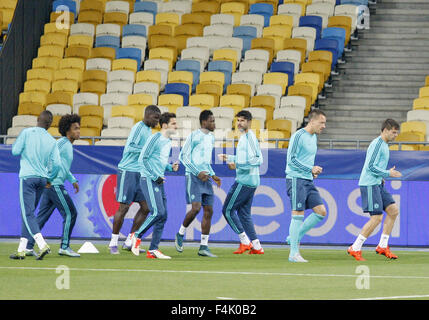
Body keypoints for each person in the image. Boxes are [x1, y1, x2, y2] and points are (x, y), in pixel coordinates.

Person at [26, 114, 81, 257]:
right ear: (67, 130)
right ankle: (64, 246)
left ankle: (28, 246)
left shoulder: (67, 145)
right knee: (71, 213)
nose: (78, 131)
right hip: (54, 185)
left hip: (51, 185)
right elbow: (49, 160)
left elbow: (63, 166)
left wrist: (73, 179)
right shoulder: (62, 143)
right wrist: (49, 179)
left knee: (41, 218)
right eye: (76, 128)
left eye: (79, 128)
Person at [108, 105, 161, 254]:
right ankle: (113, 242)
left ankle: (130, 241)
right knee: (123, 207)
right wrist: (147, 151)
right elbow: (130, 147)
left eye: (158, 119)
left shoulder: (148, 130)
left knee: (146, 207)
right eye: (155, 118)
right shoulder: (139, 127)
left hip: (140, 172)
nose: (157, 122)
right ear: (147, 115)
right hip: (128, 171)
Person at [10, 110, 62, 260]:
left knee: (28, 214)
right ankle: (22, 249)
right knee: (29, 214)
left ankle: (41, 243)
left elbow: (15, 151)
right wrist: (50, 178)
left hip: (28, 177)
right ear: (50, 124)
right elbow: (57, 164)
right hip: (42, 179)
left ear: (38, 119)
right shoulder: (52, 140)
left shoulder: (27, 133)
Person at [348, 119, 402, 261]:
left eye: (397, 133)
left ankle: (383, 246)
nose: (396, 135)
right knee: (376, 218)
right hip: (370, 184)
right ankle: (355, 247)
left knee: (393, 210)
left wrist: (382, 176)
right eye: (394, 132)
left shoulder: (384, 145)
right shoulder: (377, 144)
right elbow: (371, 166)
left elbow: (374, 167)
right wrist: (387, 173)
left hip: (377, 183)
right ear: (385, 130)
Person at [130, 112, 179, 259]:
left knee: (163, 215)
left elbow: (158, 161)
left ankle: (153, 249)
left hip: (158, 179)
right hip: (149, 179)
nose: (176, 126)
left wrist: (170, 167)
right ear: (164, 125)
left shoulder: (168, 141)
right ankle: (136, 236)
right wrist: (154, 176)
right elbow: (142, 159)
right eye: (174, 123)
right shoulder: (155, 138)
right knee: (157, 212)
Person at [175, 110, 221, 258]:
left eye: (214, 121)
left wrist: (212, 174)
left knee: (209, 211)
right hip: (194, 177)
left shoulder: (212, 138)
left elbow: (205, 161)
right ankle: (180, 234)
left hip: (205, 177)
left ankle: (203, 246)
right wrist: (197, 172)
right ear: (204, 122)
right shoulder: (194, 136)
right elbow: (183, 156)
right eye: (212, 121)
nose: (214, 124)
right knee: (196, 208)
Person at [218, 110, 264, 254]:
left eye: (242, 120)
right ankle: (257, 246)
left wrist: (237, 164)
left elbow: (259, 160)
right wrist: (230, 158)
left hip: (244, 181)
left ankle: (245, 241)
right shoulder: (245, 137)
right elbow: (244, 158)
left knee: (227, 210)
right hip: (251, 181)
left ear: (249, 122)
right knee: (244, 214)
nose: (239, 123)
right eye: (238, 120)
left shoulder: (249, 138)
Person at [285, 109, 328, 263]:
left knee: (321, 212)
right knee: (297, 214)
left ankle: (293, 237)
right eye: (321, 122)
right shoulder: (298, 136)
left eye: (325, 123)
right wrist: (309, 168)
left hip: (307, 179)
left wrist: (311, 172)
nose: (324, 126)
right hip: (296, 179)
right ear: (312, 121)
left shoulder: (314, 137)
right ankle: (293, 254)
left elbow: (304, 160)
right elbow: (291, 160)